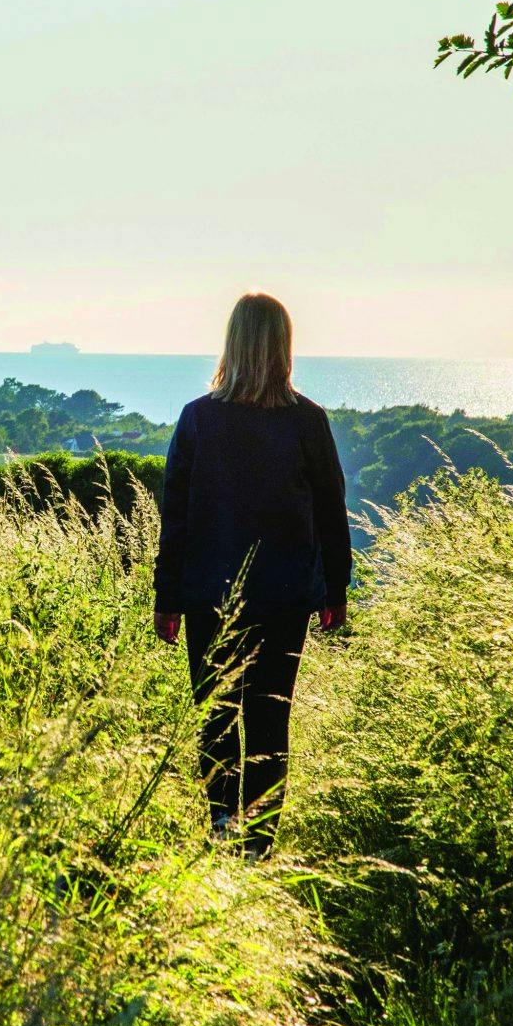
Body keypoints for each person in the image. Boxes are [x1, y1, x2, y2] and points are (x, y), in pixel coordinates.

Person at [153, 292, 352, 855]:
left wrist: (167, 600)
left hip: (207, 597)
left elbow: (177, 518)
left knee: (217, 716)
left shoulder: (199, 419)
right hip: (285, 597)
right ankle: (259, 848)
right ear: (284, 346)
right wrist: (336, 589)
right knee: (270, 721)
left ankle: (222, 832)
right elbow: (331, 512)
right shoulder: (308, 422)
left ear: (232, 343)